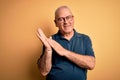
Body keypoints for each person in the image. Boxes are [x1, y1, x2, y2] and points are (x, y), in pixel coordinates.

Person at [37, 6, 95, 80]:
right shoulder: (50, 41)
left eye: (68, 17)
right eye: (61, 19)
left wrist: (64, 52)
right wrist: (48, 50)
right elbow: (43, 71)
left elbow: (91, 64)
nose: (66, 22)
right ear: (56, 23)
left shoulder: (85, 39)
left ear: (73, 18)